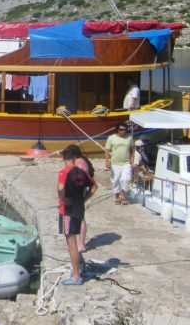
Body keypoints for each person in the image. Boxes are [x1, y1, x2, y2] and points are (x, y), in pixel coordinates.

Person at [57, 145, 96, 286]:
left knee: (71, 244)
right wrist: (84, 198)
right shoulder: (81, 172)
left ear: (64, 158)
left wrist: (63, 199)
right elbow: (94, 186)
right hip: (80, 209)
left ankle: (76, 276)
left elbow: (61, 188)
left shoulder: (64, 172)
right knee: (74, 242)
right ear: (74, 158)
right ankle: (76, 269)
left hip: (67, 211)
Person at [70, 145, 97, 253]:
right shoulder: (83, 160)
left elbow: (91, 185)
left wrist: (83, 198)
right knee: (79, 217)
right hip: (80, 193)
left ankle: (81, 244)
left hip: (78, 193)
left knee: (80, 218)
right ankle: (80, 243)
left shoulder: (79, 164)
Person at [105, 122, 134, 205]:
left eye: (125, 130)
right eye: (121, 130)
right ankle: (117, 197)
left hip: (126, 163)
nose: (123, 131)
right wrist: (107, 161)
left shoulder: (129, 137)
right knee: (115, 181)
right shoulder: (111, 138)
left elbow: (132, 148)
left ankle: (123, 195)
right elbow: (107, 150)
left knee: (126, 179)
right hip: (115, 163)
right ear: (117, 130)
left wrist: (132, 158)